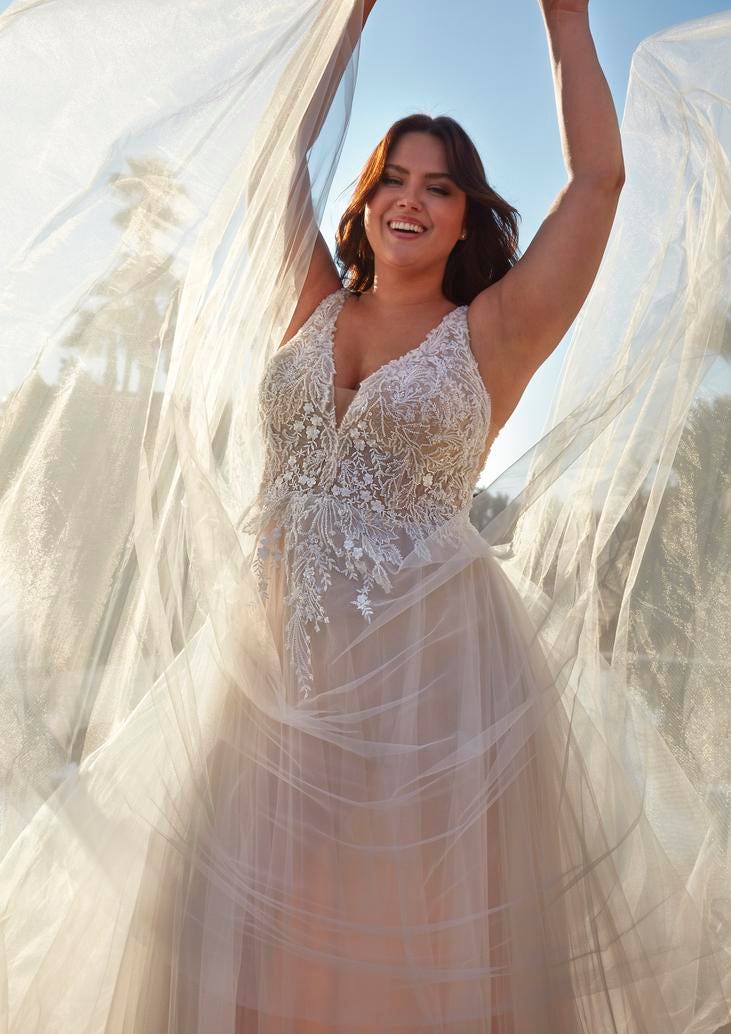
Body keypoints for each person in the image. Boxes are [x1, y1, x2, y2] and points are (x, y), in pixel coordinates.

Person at [0, 1, 729, 1032]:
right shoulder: (309, 299)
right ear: (365, 194)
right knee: (232, 951)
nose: (408, 199)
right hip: (262, 681)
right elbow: (280, 148)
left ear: (467, 217)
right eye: (391, 175)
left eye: (437, 187)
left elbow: (598, 183)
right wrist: (350, 9)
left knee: (392, 959)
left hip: (421, 704)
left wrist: (563, 17)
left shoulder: (496, 330)